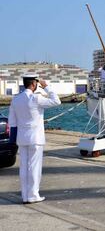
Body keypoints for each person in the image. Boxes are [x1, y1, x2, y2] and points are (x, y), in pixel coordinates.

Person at [8, 74, 61, 204]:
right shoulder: (36, 98)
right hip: (35, 139)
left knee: (24, 167)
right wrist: (46, 87)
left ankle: (25, 195)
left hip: (22, 138)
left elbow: (12, 122)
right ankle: (33, 195)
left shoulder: (16, 100)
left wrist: (12, 140)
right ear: (33, 84)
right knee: (34, 167)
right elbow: (56, 101)